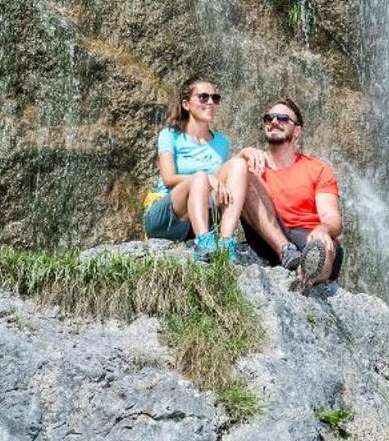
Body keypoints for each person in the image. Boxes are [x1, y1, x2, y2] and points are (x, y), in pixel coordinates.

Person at [141, 74, 251, 262]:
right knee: (200, 177)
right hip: (165, 218)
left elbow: (224, 186)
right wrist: (208, 178)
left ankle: (226, 243)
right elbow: (168, 178)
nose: (210, 102)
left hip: (200, 218)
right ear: (186, 104)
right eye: (203, 97)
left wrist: (244, 155)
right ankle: (204, 245)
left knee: (239, 165)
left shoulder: (222, 142)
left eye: (215, 98)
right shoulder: (170, 135)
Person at [240, 97, 343, 289]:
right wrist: (241, 155)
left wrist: (324, 229)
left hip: (307, 236)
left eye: (283, 118)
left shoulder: (318, 169)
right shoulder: (251, 165)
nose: (274, 121)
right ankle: (288, 254)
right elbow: (220, 187)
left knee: (324, 246)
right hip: (268, 237)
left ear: (297, 131)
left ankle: (307, 273)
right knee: (243, 177)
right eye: (269, 118)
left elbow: (332, 216)